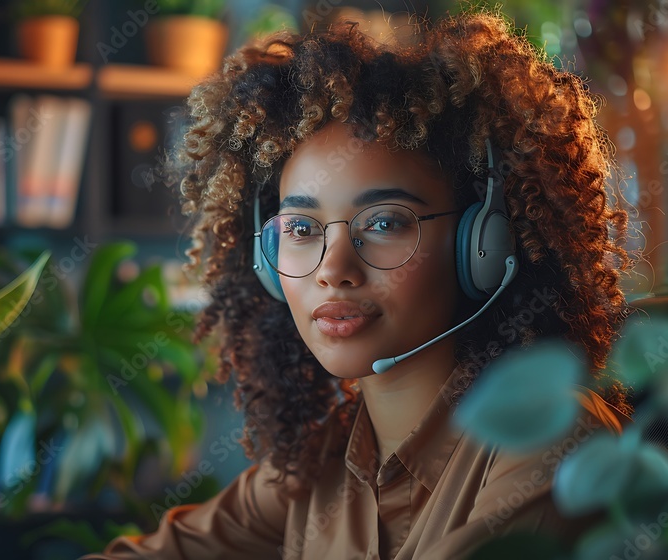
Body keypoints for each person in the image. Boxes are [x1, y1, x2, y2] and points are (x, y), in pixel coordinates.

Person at [85, 8, 631, 560]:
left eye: (385, 223)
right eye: (301, 228)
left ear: (483, 246)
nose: (332, 268)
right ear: (268, 262)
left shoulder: (550, 441)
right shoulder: (322, 461)